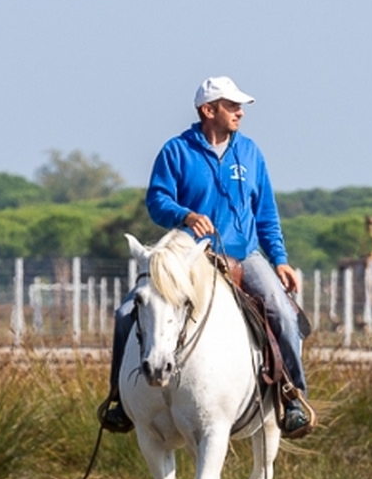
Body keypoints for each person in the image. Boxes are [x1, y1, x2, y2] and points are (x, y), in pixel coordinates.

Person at [97, 76, 314, 439]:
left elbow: (266, 215)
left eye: (240, 106)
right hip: (189, 255)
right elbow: (157, 201)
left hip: (245, 254)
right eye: (232, 106)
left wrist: (279, 260)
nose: (240, 113)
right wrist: (185, 215)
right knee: (124, 314)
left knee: (283, 311)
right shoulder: (175, 151)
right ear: (208, 110)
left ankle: (292, 397)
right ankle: (119, 400)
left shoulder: (250, 153)